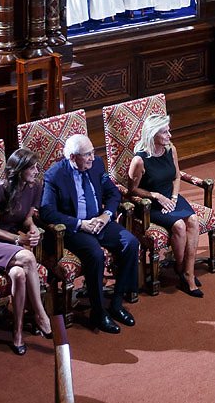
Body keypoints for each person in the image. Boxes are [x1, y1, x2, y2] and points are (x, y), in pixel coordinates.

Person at [38, 134, 140, 334]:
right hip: (75, 228)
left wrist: (106, 215)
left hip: (99, 221)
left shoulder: (97, 164)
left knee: (130, 243)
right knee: (95, 254)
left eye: (93, 152)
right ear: (73, 157)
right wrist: (80, 224)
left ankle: (117, 303)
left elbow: (113, 193)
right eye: (87, 155)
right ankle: (98, 311)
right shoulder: (55, 175)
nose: (93, 158)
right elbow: (47, 212)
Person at [0, 148, 54, 355]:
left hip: (14, 243)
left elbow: (27, 218)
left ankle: (18, 333)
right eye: (32, 167)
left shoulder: (35, 187)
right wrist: (20, 239)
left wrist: (33, 229)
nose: (36, 171)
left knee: (19, 275)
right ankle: (40, 313)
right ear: (19, 170)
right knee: (28, 257)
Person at [128, 114, 207, 295]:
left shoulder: (171, 149)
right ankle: (181, 270)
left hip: (171, 196)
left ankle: (188, 272)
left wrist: (172, 197)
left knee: (193, 220)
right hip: (151, 203)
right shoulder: (139, 160)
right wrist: (155, 195)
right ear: (152, 134)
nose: (169, 135)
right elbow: (132, 189)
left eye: (168, 130)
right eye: (164, 132)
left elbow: (177, 176)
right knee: (179, 225)